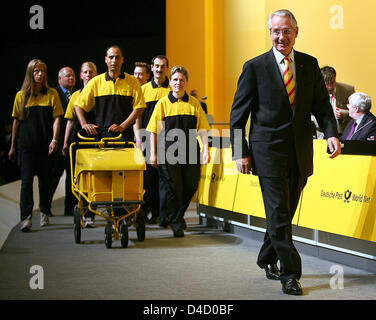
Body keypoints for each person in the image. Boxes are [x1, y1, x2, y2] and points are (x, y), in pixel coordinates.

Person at [229, 9, 341, 295]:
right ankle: (290, 273)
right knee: (279, 213)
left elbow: (322, 107)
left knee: (284, 214)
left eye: (286, 31)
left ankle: (266, 256)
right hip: (267, 154)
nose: (281, 36)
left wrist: (331, 134)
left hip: (300, 153)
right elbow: (237, 116)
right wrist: (241, 152)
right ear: (270, 33)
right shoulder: (254, 67)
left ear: (296, 32)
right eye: (276, 31)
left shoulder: (308, 64)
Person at [146, 66, 210, 238]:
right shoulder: (163, 104)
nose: (178, 83)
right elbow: (153, 130)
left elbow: (203, 129)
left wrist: (205, 150)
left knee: (191, 186)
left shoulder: (194, 103)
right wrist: (153, 153)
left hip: (190, 152)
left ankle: (178, 216)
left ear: (186, 82)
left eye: (181, 80)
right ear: (171, 82)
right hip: (168, 152)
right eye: (175, 79)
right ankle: (176, 223)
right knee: (174, 188)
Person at [8, 59, 63, 232]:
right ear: (30, 73)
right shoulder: (21, 95)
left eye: (42, 71)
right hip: (26, 144)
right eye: (36, 71)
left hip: (45, 143)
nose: (40, 74)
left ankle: (45, 211)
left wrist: (54, 140)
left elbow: (57, 118)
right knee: (26, 182)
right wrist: (12, 146)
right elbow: (16, 121)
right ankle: (26, 217)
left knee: (45, 181)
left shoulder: (52, 93)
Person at [75, 45, 145, 141]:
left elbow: (139, 107)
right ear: (106, 59)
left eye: (117, 57)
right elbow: (78, 105)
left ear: (122, 60)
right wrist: (84, 124)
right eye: (111, 57)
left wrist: (122, 126)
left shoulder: (133, 81)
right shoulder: (95, 82)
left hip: (124, 136)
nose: (114, 60)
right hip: (100, 137)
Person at [63, 62, 98, 227]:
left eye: (92, 72)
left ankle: (90, 214)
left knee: (93, 178)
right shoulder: (75, 96)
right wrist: (64, 142)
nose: (89, 74)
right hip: (77, 139)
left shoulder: (100, 94)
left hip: (96, 140)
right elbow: (70, 121)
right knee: (78, 178)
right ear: (81, 75)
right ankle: (81, 210)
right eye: (85, 72)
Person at [141, 55, 170, 225]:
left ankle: (162, 215)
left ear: (167, 68)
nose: (159, 69)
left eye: (163, 66)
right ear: (151, 68)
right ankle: (147, 213)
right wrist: (139, 139)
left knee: (165, 181)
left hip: (169, 141)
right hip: (147, 140)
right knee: (147, 181)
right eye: (157, 66)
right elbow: (138, 116)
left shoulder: (172, 90)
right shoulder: (143, 90)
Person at [49, 66, 77, 216]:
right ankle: (45, 208)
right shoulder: (54, 93)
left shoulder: (76, 94)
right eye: (67, 76)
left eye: (72, 75)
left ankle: (69, 209)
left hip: (72, 143)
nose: (71, 78)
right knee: (54, 176)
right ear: (60, 79)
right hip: (58, 143)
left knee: (71, 179)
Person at [312, 66, 355, 138]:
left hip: (343, 135)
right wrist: (322, 121)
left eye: (332, 82)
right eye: (326, 84)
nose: (330, 87)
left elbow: (358, 112)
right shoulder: (313, 92)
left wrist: (345, 114)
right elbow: (307, 115)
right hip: (322, 135)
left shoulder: (348, 90)